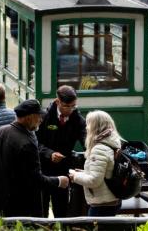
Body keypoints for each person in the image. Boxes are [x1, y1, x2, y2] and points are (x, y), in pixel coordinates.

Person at [0, 99, 70, 219]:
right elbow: (36, 180)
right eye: (39, 117)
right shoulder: (27, 144)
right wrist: (59, 181)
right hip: (18, 209)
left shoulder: (0, 131)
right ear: (29, 117)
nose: (41, 120)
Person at [36, 85, 86, 217]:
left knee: (62, 211)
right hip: (43, 170)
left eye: (73, 106)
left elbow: (86, 139)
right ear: (57, 101)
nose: (70, 110)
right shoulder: (44, 117)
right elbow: (35, 142)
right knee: (41, 211)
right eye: (66, 106)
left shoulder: (77, 119)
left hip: (63, 170)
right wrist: (49, 153)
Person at [68, 110, 123, 217]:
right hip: (110, 199)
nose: (86, 128)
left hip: (102, 204)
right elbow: (105, 172)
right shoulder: (112, 143)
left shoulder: (99, 149)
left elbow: (94, 181)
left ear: (95, 127)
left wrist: (74, 176)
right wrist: (85, 172)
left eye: (88, 124)